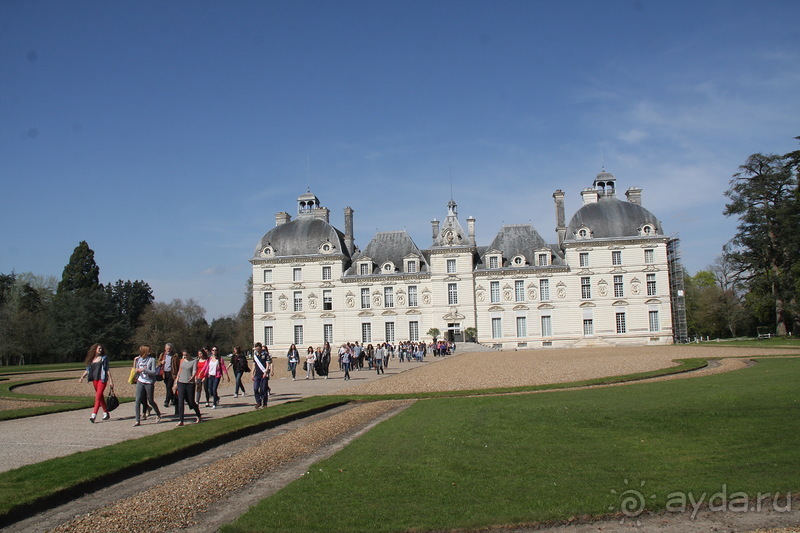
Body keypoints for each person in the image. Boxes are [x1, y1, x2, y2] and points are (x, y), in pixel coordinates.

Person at [78, 343, 114, 423]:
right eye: (99, 349)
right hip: (95, 379)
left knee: (97, 397)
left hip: (102, 379)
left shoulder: (104, 358)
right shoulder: (91, 360)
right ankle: (106, 413)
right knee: (100, 397)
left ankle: (93, 415)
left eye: (101, 349)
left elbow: (107, 370)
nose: (100, 350)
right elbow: (87, 370)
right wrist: (82, 377)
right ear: (95, 349)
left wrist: (111, 381)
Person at [133, 345, 162, 427]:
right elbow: (135, 370)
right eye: (148, 350)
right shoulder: (139, 359)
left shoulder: (152, 360)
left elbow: (153, 372)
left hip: (149, 382)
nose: (150, 351)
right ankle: (137, 420)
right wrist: (136, 367)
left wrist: (144, 370)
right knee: (137, 400)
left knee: (150, 400)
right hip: (140, 381)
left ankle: (158, 414)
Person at [173, 348, 202, 426]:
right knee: (180, 401)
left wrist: (193, 376)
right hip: (181, 382)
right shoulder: (182, 361)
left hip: (190, 383)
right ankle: (181, 420)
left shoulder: (194, 361)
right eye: (183, 355)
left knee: (191, 402)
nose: (185, 356)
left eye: (186, 355)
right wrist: (176, 382)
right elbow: (179, 371)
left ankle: (198, 415)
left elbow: (194, 371)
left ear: (189, 354)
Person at [252, 343, 273, 409]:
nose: (257, 349)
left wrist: (266, 372)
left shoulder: (266, 354)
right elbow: (254, 365)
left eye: (258, 348)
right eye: (256, 348)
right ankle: (258, 402)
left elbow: (267, 364)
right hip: (257, 374)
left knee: (263, 389)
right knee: (255, 388)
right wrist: (252, 373)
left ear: (260, 348)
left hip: (264, 373)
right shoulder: (255, 355)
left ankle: (265, 403)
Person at [158, 343, 177, 409]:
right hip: (164, 373)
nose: (168, 350)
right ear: (165, 348)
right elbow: (158, 362)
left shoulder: (174, 355)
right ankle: (173, 398)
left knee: (169, 387)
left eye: (169, 348)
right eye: (167, 348)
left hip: (172, 373)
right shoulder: (162, 355)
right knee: (168, 387)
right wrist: (161, 362)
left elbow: (177, 364)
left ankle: (166, 401)